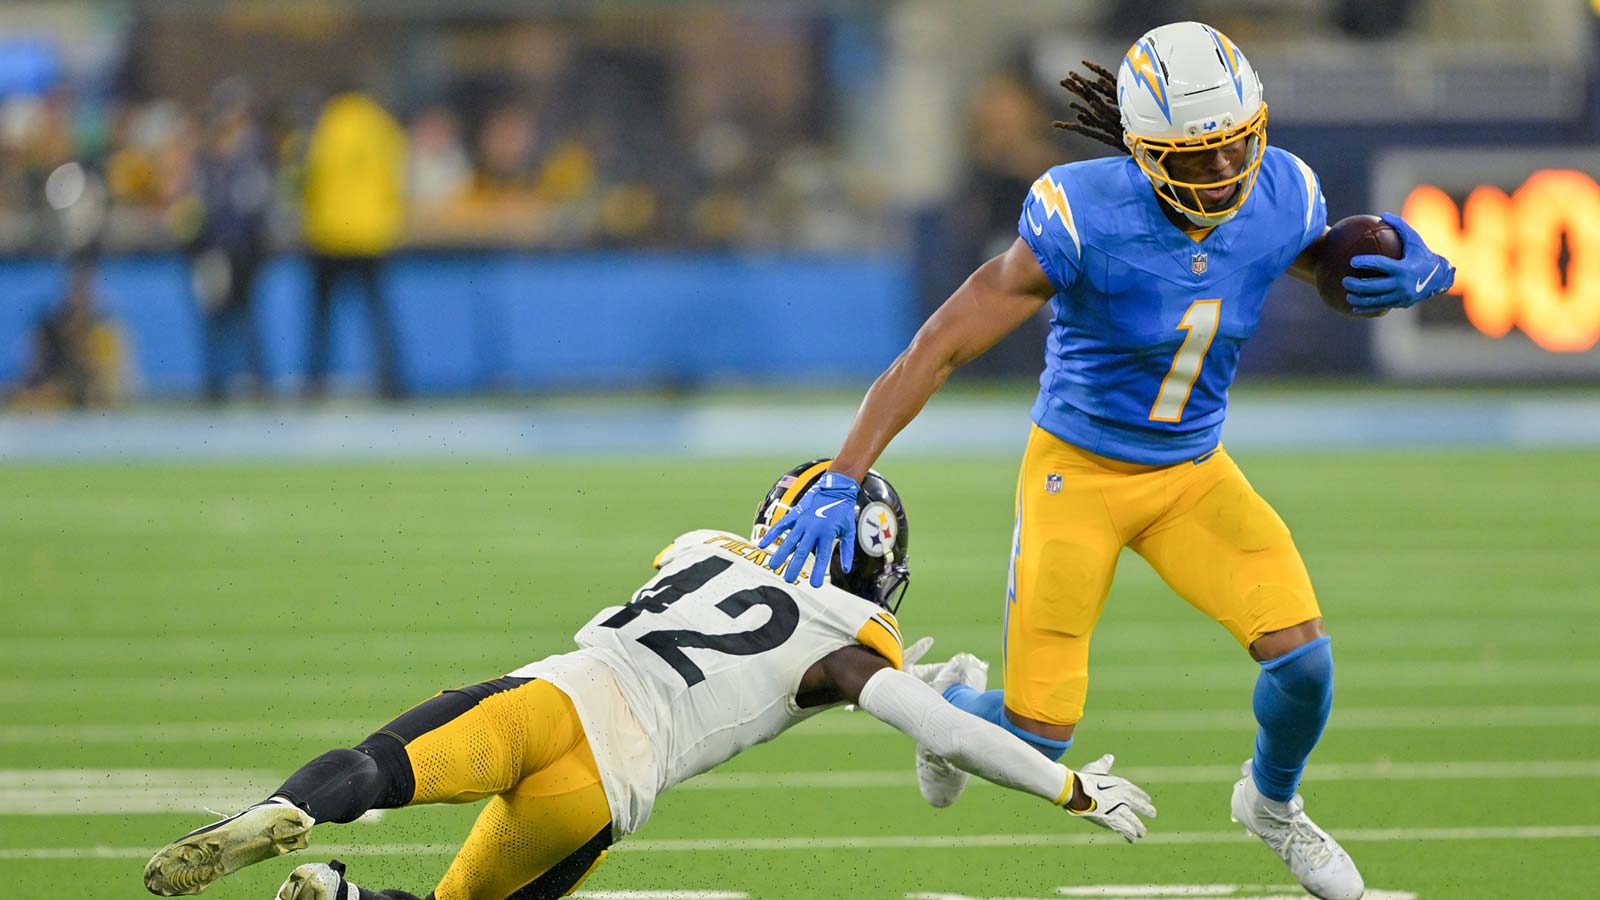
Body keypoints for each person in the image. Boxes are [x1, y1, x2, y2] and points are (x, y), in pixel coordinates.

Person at [758, 22, 1456, 900]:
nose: (1223, 170)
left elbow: (1318, 259)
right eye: (1195, 155)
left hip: (1192, 474)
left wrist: (1424, 268)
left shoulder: (1282, 191)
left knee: (1305, 664)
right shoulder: (1084, 215)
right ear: (1145, 151)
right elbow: (939, 345)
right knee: (1037, 735)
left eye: (1235, 144)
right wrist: (844, 471)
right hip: (1077, 478)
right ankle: (944, 711)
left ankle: (1271, 804)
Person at [143, 460, 1156, 900]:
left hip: (554, 696)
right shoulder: (850, 645)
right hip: (606, 786)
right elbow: (946, 731)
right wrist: (1066, 786)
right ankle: (336, 896)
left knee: (376, 764)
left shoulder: (703, 546)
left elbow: (728, 588)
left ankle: (285, 813)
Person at [301, 89, 406, 400]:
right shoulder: (381, 126)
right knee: (377, 313)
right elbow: (394, 177)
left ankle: (315, 381)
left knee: (322, 316)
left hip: (329, 233)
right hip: (371, 233)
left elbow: (310, 176)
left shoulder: (325, 126)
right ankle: (391, 380)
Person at [186, 79, 273, 404]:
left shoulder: (253, 153)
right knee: (216, 317)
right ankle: (217, 381)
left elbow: (255, 204)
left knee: (246, 316)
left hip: (243, 248)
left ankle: (255, 380)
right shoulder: (207, 158)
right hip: (214, 247)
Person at [11, 257, 127, 409]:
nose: (82, 293)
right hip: (55, 398)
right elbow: (33, 370)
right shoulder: (49, 326)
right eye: (77, 286)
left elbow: (117, 379)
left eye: (87, 286)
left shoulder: (106, 328)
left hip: (93, 402)